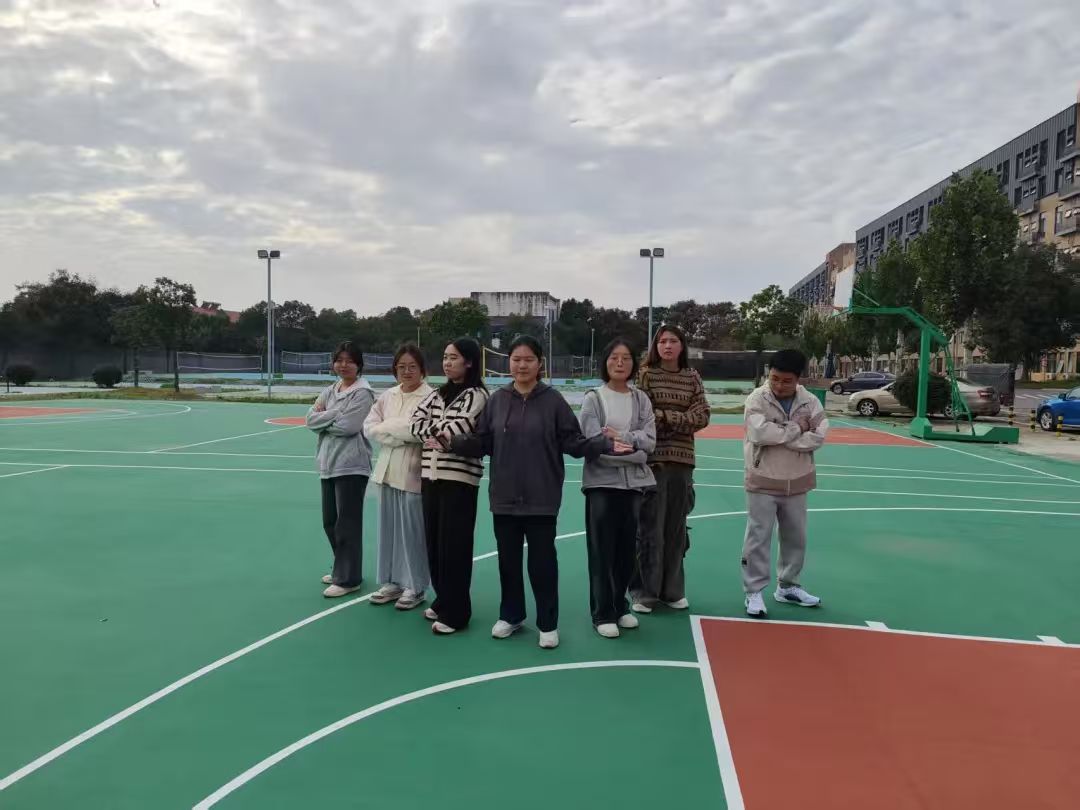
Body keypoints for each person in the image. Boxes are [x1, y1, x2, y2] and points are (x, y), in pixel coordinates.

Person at [453, 335, 629, 650]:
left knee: (543, 564)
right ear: (508, 362)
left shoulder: (553, 401)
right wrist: (454, 442)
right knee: (508, 562)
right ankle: (511, 615)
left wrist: (602, 444)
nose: (522, 365)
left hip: (542, 498)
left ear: (539, 364)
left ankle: (548, 623)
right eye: (516, 359)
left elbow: (573, 442)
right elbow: (484, 441)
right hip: (504, 497)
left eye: (528, 360)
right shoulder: (497, 400)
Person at [741, 348, 828, 618]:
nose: (779, 386)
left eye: (786, 381)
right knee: (758, 537)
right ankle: (753, 591)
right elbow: (758, 433)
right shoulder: (757, 399)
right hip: (763, 478)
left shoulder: (810, 402)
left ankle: (788, 585)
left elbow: (819, 435)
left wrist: (781, 436)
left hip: (797, 479)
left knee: (796, 537)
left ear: (798, 378)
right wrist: (796, 428)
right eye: (775, 378)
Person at [410, 338, 489, 635]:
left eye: (453, 357)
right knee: (434, 543)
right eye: (445, 357)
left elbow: (458, 429)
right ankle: (443, 599)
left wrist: (438, 433)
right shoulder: (437, 394)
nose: (447, 362)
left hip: (460, 479)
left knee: (454, 546)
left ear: (469, 362)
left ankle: (457, 613)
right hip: (430, 476)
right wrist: (436, 434)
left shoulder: (477, 395)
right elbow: (415, 422)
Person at [578, 338, 656, 638]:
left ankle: (620, 606)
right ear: (605, 362)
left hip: (633, 485)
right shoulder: (593, 399)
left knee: (626, 551)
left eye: (626, 357)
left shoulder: (641, 399)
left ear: (634, 363)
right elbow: (594, 443)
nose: (620, 362)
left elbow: (649, 443)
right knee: (602, 551)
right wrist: (632, 451)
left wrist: (623, 439)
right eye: (614, 357)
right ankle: (602, 613)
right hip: (601, 483)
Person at [631, 324, 710, 614]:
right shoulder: (646, 375)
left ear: (682, 346)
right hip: (653, 462)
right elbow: (644, 416)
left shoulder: (692, 377)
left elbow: (702, 416)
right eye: (662, 341)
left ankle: (672, 591)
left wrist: (666, 417)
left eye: (673, 340)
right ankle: (645, 593)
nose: (667, 345)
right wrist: (679, 418)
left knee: (676, 530)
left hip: (683, 463)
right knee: (650, 529)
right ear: (656, 346)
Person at [363, 344, 433, 611]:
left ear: (422, 370)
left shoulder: (430, 397)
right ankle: (391, 582)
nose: (406, 371)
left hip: (414, 473)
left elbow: (420, 431)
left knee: (413, 532)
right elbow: (370, 427)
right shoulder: (387, 396)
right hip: (387, 471)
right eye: (401, 367)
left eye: (412, 366)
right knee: (389, 530)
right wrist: (397, 433)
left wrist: (390, 428)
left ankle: (415, 586)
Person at [306, 341, 376, 598]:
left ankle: (349, 579)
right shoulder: (330, 390)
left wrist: (326, 417)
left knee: (347, 524)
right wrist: (335, 414)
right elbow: (309, 420)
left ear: (359, 365)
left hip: (351, 465)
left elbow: (349, 427)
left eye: (350, 361)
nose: (343, 365)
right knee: (330, 522)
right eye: (339, 360)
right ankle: (341, 568)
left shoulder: (363, 393)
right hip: (328, 464)